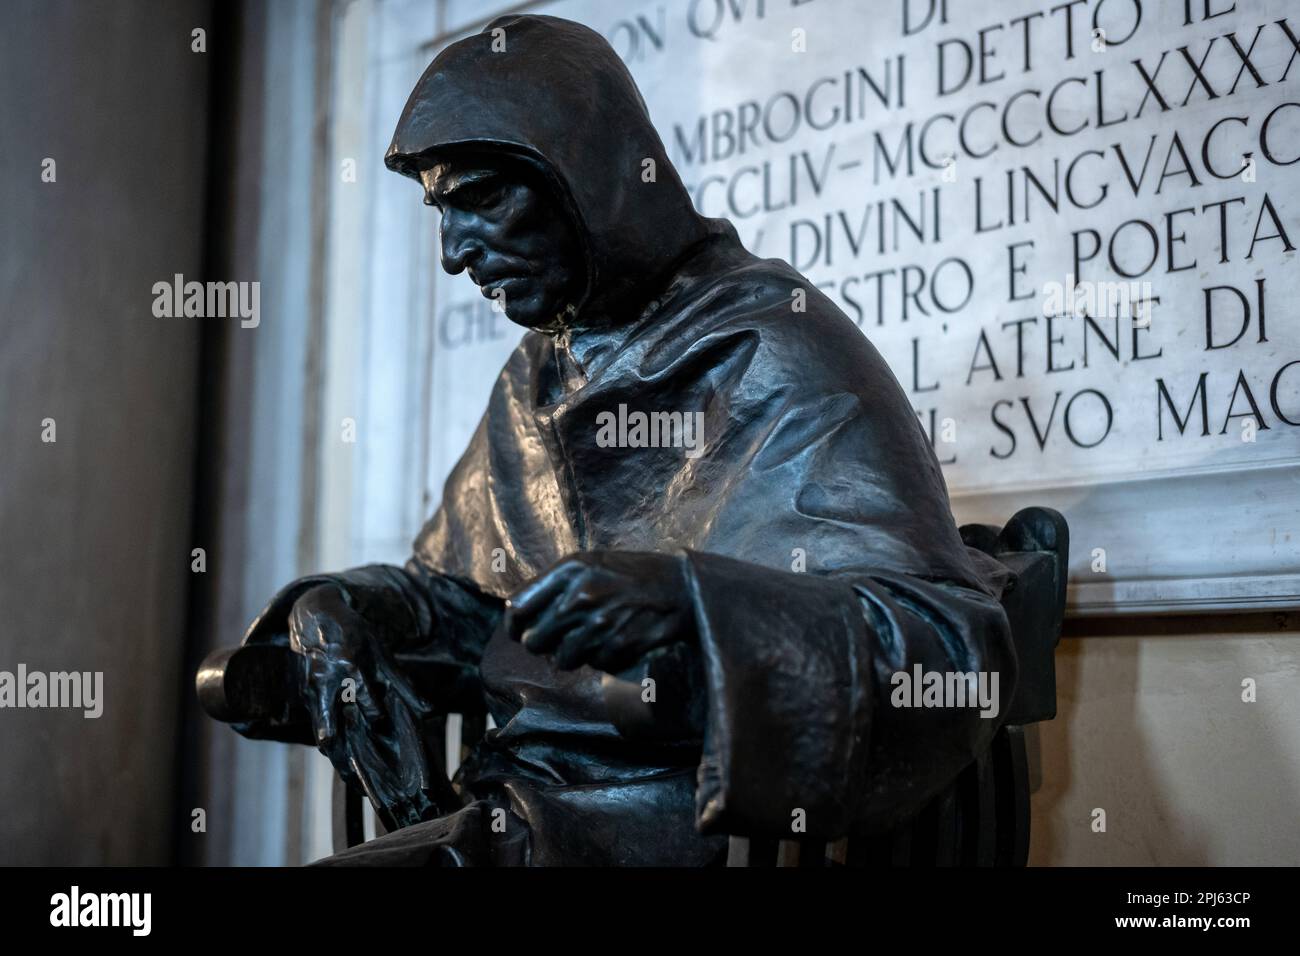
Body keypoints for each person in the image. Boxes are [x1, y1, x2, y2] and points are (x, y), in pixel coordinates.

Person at [240, 13, 1016, 866]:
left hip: (677, 821)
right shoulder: (537, 376)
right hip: (516, 802)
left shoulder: (772, 344)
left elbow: (943, 645)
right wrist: (341, 610)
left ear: (592, 175)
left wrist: (689, 601)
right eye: (440, 210)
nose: (453, 253)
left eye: (483, 197)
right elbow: (471, 604)